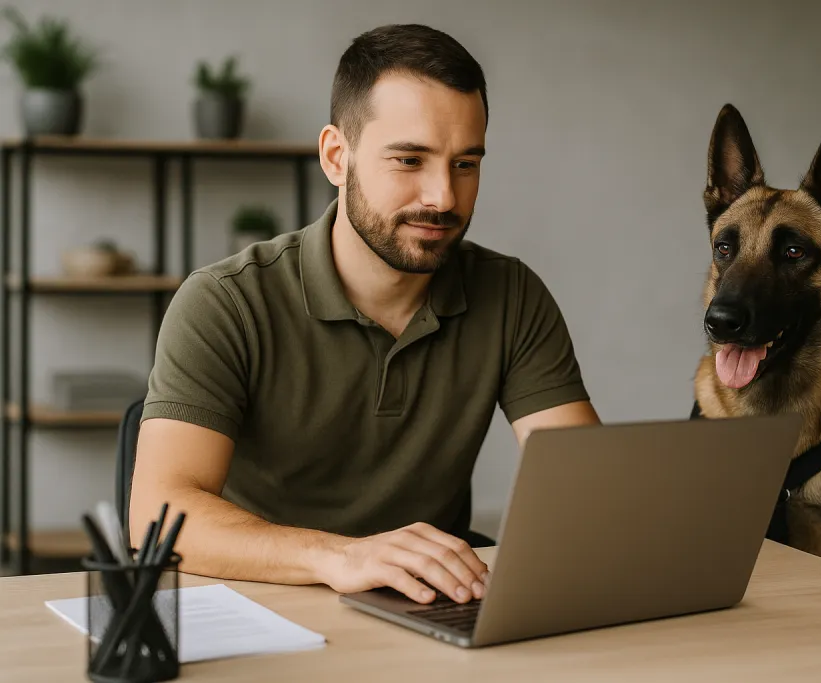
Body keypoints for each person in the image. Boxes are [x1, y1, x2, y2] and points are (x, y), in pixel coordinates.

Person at [129, 23, 600, 607]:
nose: (443, 198)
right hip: (263, 604)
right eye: (409, 159)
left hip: (429, 609)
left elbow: (587, 489)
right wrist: (342, 555)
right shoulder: (225, 302)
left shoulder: (511, 294)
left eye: (465, 165)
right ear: (336, 156)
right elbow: (159, 516)